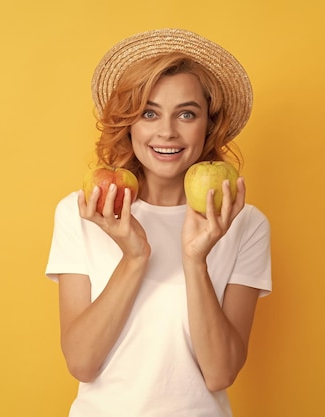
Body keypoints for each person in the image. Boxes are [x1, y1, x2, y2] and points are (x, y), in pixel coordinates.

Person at [45, 28, 272, 417]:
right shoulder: (85, 211)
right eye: (149, 113)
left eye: (186, 113)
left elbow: (219, 373)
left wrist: (195, 260)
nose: (167, 131)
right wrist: (135, 256)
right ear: (129, 124)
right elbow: (82, 363)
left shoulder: (242, 222)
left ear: (209, 125)